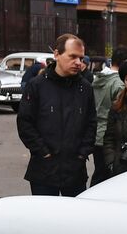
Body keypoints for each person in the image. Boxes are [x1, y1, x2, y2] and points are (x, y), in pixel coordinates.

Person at [16, 33, 96, 197]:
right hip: (43, 171)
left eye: (81, 58)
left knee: (74, 219)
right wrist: (43, 152)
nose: (78, 63)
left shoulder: (85, 88)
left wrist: (82, 153)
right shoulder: (37, 85)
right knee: (44, 220)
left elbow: (91, 122)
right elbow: (25, 123)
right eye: (72, 56)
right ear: (57, 54)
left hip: (75, 171)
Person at [89, 47, 126, 185]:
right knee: (107, 176)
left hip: (96, 132)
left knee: (99, 171)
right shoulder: (118, 83)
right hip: (109, 134)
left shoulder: (99, 78)